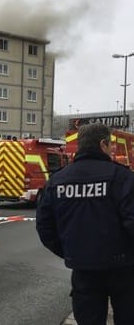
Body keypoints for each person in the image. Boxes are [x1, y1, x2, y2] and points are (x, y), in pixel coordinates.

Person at [36, 123, 134, 325]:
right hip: (123, 269)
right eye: (110, 145)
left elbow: (45, 227)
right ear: (102, 144)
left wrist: (70, 251)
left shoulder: (58, 180)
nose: (112, 149)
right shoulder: (122, 177)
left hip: (83, 270)